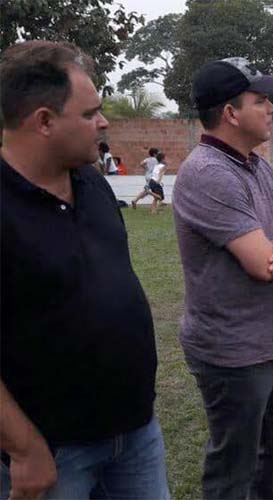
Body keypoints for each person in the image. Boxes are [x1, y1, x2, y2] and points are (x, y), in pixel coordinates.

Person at [0, 40, 169, 499]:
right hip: (52, 452)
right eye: (91, 112)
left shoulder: (91, 182)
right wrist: (24, 451)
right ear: (44, 121)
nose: (104, 121)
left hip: (136, 433)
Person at [172, 57, 273, 499]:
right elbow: (266, 265)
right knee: (233, 465)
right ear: (230, 113)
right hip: (232, 351)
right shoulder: (208, 173)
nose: (272, 109)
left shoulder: (259, 167)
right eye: (261, 101)